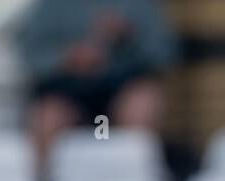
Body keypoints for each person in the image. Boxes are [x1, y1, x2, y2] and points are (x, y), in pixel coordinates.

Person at [16, 0, 178, 165]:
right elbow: (29, 54)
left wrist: (129, 36)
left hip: (122, 89)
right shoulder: (52, 5)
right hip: (68, 92)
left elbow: (165, 54)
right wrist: (68, 58)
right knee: (47, 118)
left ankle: (135, 179)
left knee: (142, 105)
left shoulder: (139, 5)